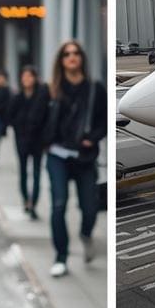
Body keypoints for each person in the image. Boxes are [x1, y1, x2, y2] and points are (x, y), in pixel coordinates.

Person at [43, 38, 106, 277]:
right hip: (57, 154)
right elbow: (38, 119)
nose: (72, 57)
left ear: (82, 59)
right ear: (61, 60)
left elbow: (103, 121)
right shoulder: (50, 89)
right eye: (67, 53)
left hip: (84, 156)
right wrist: (43, 144)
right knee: (58, 205)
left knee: (89, 208)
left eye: (76, 53)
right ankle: (61, 257)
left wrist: (94, 136)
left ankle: (86, 234)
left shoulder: (94, 89)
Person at [6, 64, 49, 219]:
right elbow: (9, 117)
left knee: (37, 173)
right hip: (22, 140)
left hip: (37, 141)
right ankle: (26, 199)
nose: (26, 79)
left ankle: (34, 203)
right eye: (24, 76)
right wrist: (19, 124)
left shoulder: (42, 95)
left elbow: (46, 116)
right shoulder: (17, 97)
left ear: (35, 78)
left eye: (29, 76)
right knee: (23, 171)